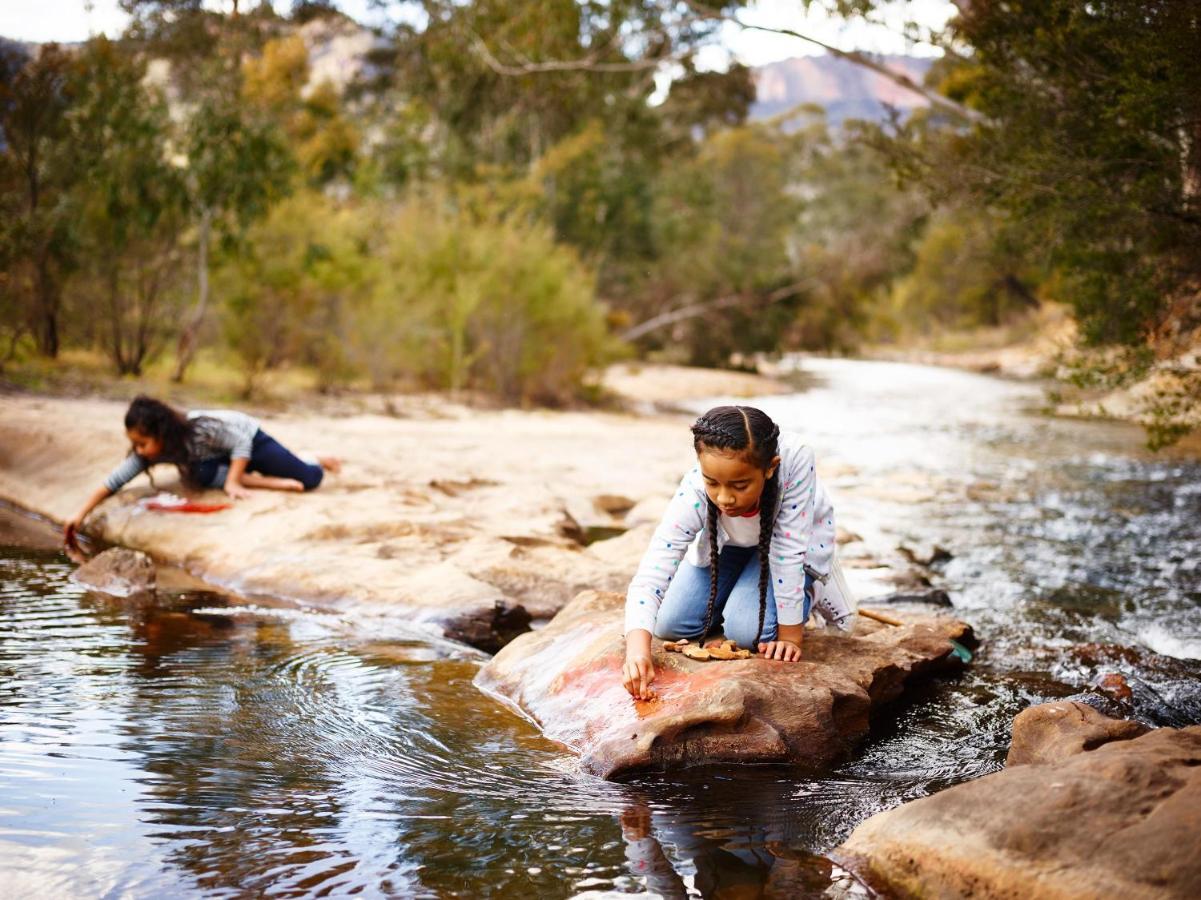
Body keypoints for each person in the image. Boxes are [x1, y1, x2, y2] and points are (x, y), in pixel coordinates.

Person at [622, 405, 852, 700]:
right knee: (670, 624)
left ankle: (817, 581)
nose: (724, 498)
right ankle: (743, 582)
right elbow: (653, 569)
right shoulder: (694, 490)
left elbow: (787, 552)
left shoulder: (795, 460)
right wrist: (637, 653)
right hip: (731, 546)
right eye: (712, 483)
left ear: (770, 468)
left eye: (740, 485)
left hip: (789, 546)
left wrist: (791, 637)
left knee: (748, 632)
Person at [64, 396, 341, 550]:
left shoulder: (198, 429)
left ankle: (311, 456)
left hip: (248, 438)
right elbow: (114, 481)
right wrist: (80, 514)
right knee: (201, 473)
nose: (138, 450)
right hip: (219, 457)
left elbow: (240, 443)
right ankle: (268, 481)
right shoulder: (152, 452)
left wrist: (232, 482)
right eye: (134, 444)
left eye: (142, 443)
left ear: (160, 434)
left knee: (309, 480)